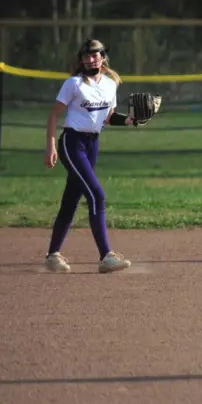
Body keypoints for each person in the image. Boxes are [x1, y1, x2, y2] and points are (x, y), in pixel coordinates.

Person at [44, 39, 139, 274]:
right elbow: (53, 115)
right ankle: (106, 256)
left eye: (95, 55)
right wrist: (51, 147)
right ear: (81, 60)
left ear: (103, 57)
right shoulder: (74, 83)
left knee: (71, 199)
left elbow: (108, 117)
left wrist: (129, 120)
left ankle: (53, 256)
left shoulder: (110, 83)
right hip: (72, 143)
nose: (90, 59)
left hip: (92, 144)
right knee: (97, 194)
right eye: (86, 56)